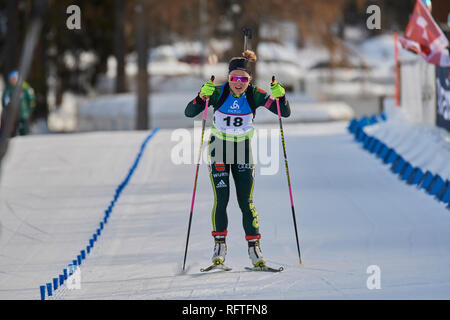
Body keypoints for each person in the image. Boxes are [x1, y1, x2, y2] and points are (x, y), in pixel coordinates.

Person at [184, 50, 291, 268]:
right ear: (229, 78)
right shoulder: (217, 92)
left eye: (243, 78)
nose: (238, 83)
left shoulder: (255, 94)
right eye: (234, 78)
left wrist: (281, 97)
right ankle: (219, 249)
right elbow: (189, 112)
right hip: (219, 150)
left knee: (246, 202)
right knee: (221, 200)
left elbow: (283, 112)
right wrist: (201, 96)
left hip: (242, 151)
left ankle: (255, 252)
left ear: (249, 80)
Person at [1, 70, 36, 136]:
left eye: (15, 78)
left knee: (23, 128)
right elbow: (3, 100)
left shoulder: (25, 87)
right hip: (12, 114)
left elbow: (31, 99)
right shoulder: (8, 89)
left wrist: (29, 109)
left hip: (24, 112)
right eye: (12, 79)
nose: (13, 80)